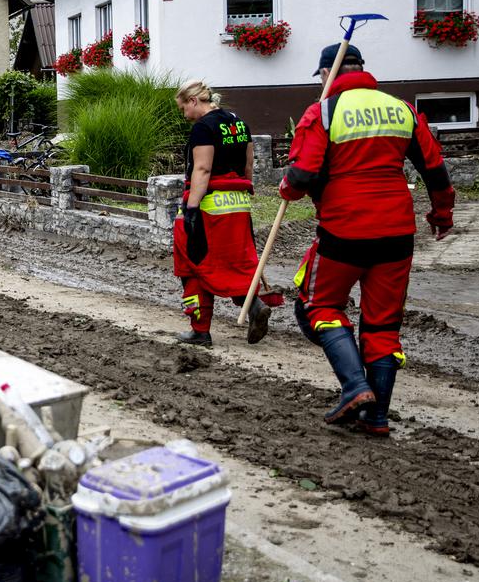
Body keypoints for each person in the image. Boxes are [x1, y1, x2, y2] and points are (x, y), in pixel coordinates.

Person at [281, 44, 455, 436]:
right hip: (397, 232)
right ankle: (376, 418)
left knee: (320, 305)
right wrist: (441, 214)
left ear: (328, 73)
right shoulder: (402, 110)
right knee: (383, 326)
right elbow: (435, 169)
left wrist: (287, 189)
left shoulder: (324, 111)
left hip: (344, 230)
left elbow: (303, 175)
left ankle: (355, 388)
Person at [172, 81, 271, 347]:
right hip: (237, 206)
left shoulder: (203, 128)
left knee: (192, 265)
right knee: (233, 262)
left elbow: (202, 170)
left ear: (194, 101)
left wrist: (191, 209)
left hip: (208, 207)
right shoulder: (238, 123)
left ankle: (200, 330)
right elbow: (248, 165)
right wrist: (244, 195)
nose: (185, 115)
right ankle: (254, 306)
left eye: (184, 109)